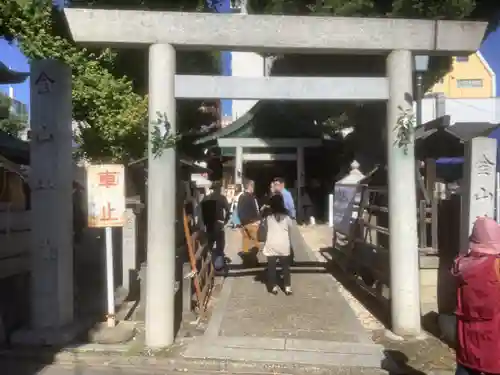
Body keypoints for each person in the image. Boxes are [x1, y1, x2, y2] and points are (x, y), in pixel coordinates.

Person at [452, 216, 500, 375]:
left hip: (466, 330)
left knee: (465, 365)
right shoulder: (496, 264)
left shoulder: (460, 264)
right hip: (493, 332)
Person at [262, 194, 293, 295]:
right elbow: (290, 228)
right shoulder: (287, 217)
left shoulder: (268, 217)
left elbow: (265, 229)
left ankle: (274, 287)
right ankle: (287, 288)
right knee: (285, 267)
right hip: (283, 244)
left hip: (271, 243)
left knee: (271, 268)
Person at [201, 182, 230, 271]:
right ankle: (218, 267)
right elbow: (228, 210)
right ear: (219, 189)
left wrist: (205, 224)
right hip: (219, 224)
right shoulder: (222, 198)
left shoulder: (206, 199)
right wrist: (225, 221)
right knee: (220, 247)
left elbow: (202, 213)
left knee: (209, 246)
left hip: (209, 225)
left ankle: (207, 267)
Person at [237, 180, 261, 267]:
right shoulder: (252, 197)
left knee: (246, 243)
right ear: (250, 187)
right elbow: (256, 209)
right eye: (253, 186)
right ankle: (253, 261)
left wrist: (240, 222)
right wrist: (258, 220)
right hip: (252, 223)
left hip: (243, 224)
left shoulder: (241, 197)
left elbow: (238, 211)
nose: (253, 188)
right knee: (256, 245)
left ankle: (246, 262)